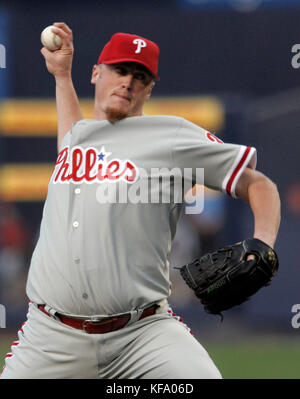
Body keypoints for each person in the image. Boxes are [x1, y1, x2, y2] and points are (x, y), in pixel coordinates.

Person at [0, 23, 280, 379]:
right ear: (96, 73)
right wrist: (61, 76)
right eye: (119, 70)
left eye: (140, 76)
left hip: (142, 334)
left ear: (149, 88)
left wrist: (263, 244)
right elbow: (73, 136)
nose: (128, 82)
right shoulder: (78, 138)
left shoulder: (173, 135)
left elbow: (258, 185)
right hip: (50, 337)